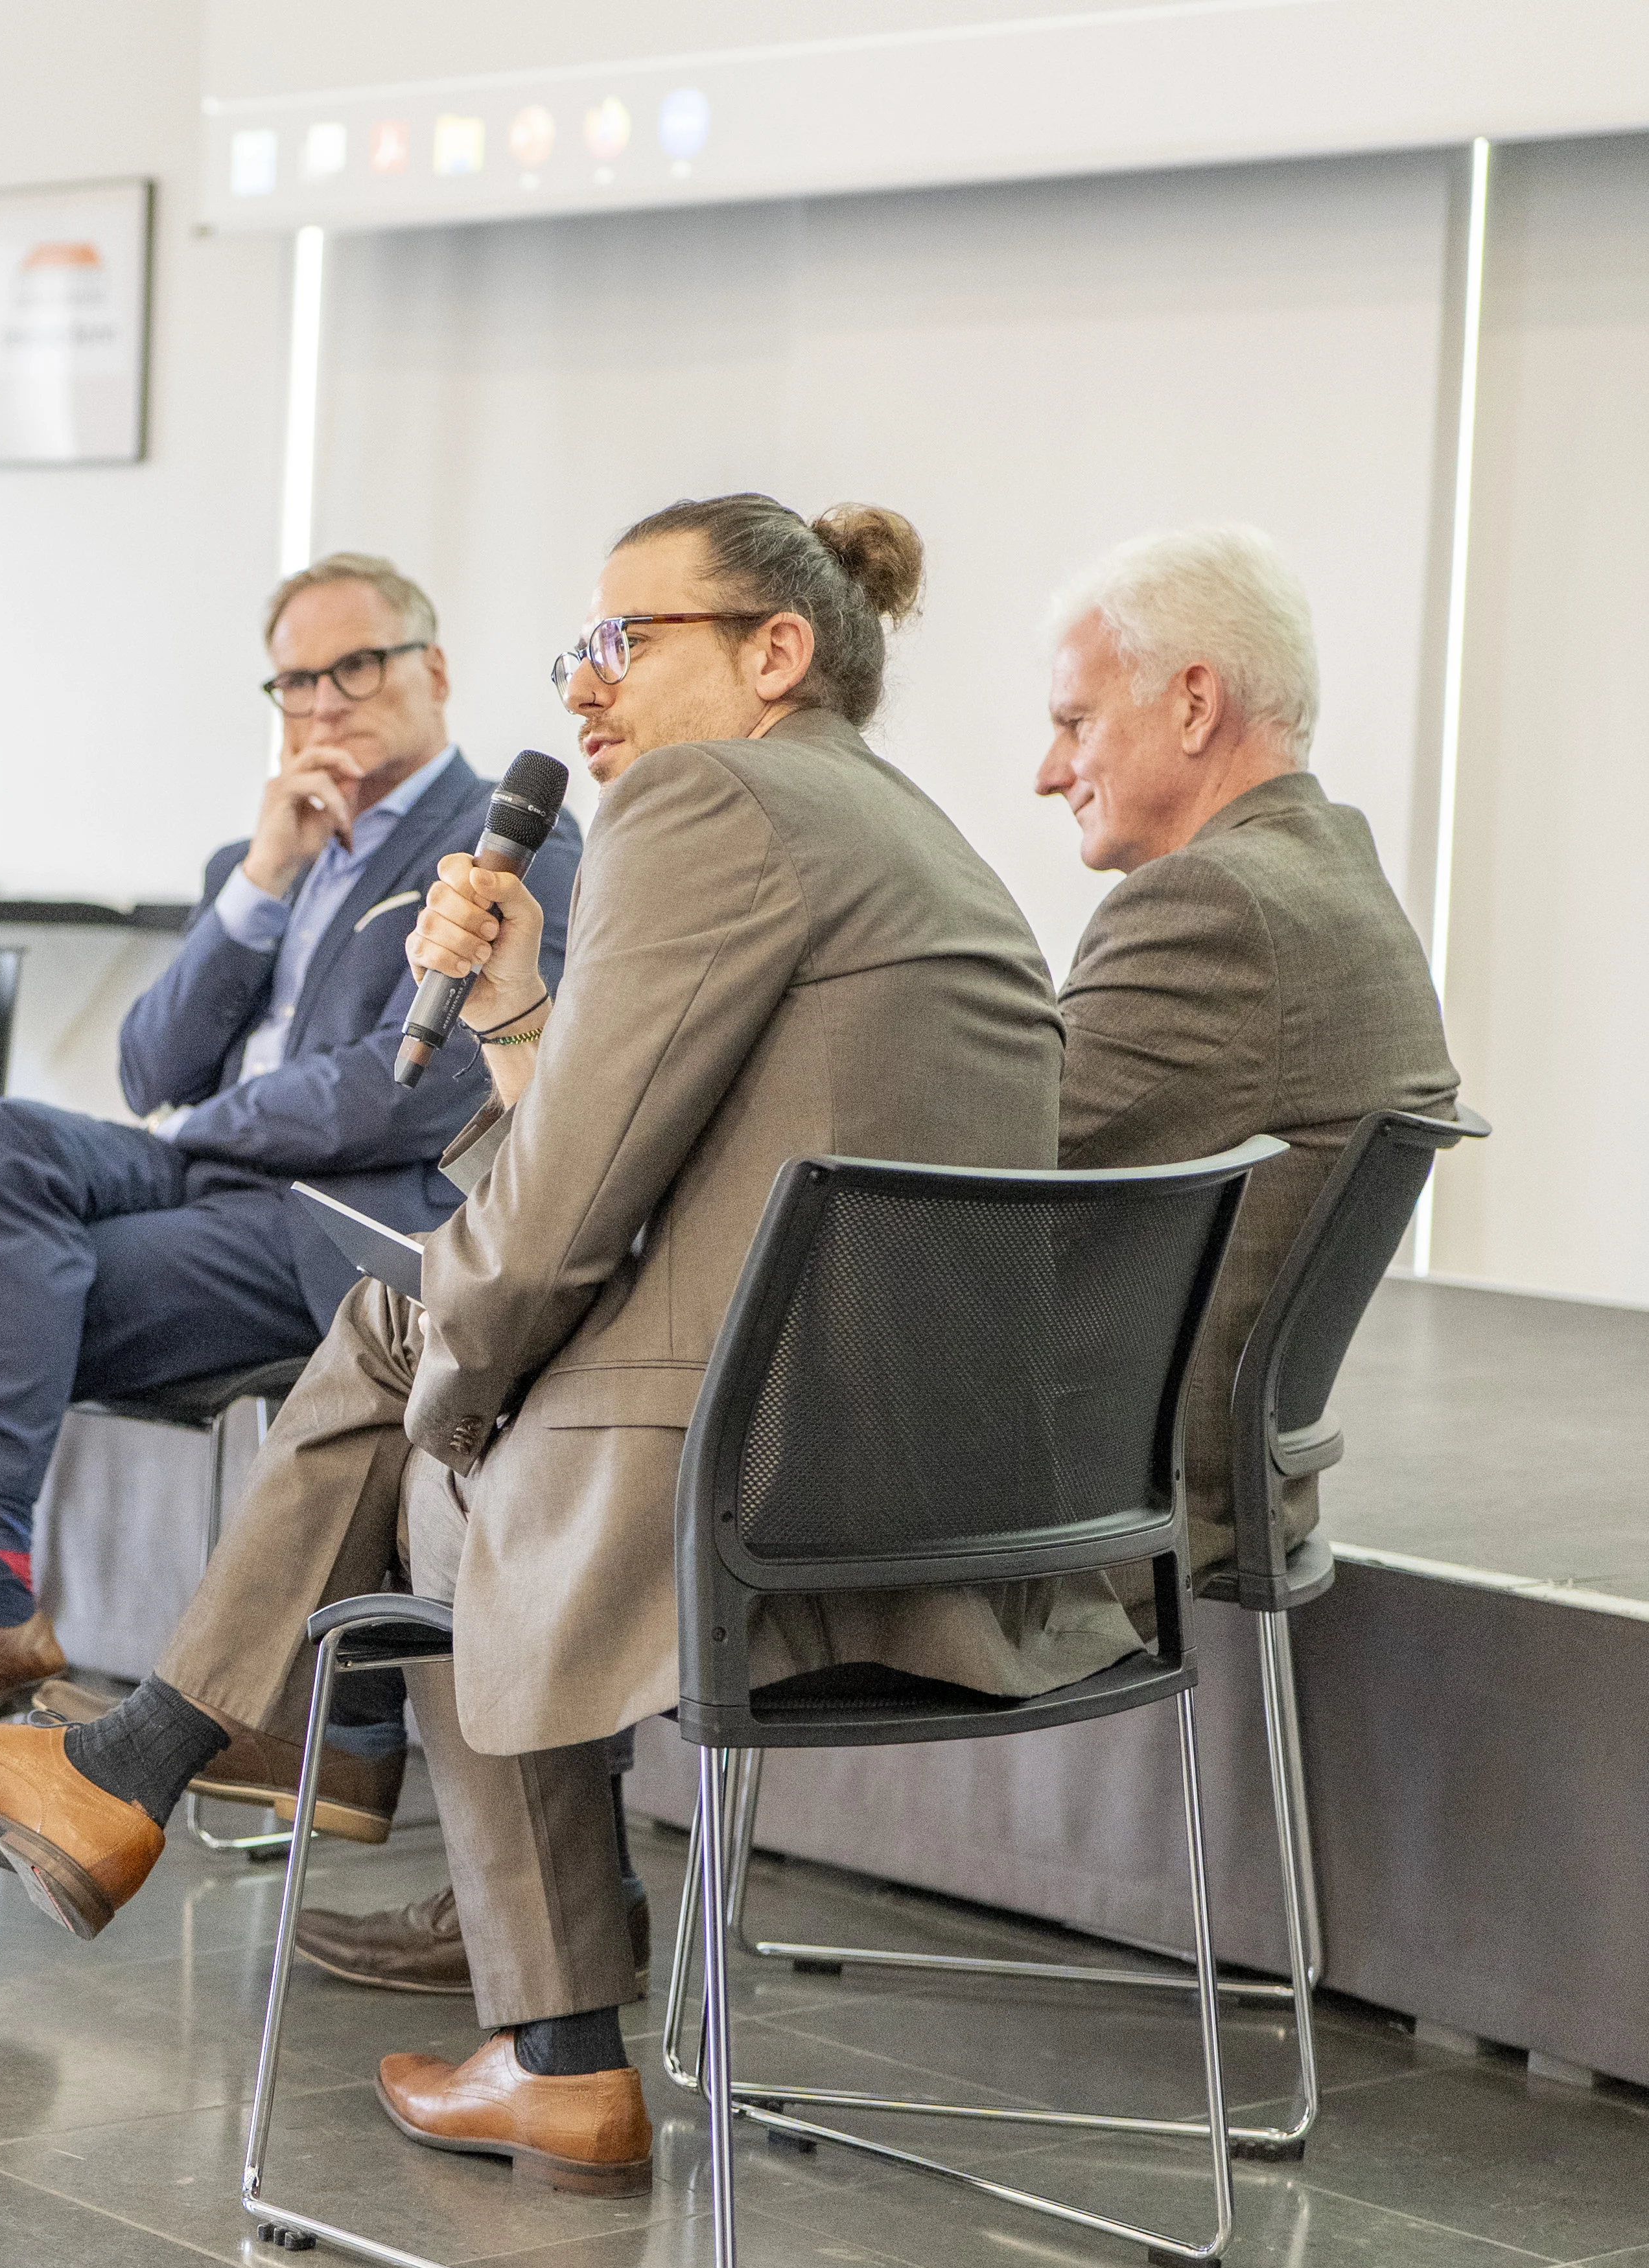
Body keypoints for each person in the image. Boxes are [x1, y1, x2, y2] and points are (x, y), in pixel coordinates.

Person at [0, 493, 1136, 2200]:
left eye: (625, 641)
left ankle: (204, 1808)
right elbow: (626, 1155)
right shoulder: (889, 822)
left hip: (765, 1486)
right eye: (575, 650)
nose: (585, 685)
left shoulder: (703, 800)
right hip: (932, 1487)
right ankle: (452, 1985)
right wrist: (522, 1009)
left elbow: (556, 1224)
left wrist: (457, 1385)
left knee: (429, 1406)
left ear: (775, 651)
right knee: (421, 1365)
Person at [290, 522, 1466, 2006]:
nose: (1045, 769)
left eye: (1072, 721)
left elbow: (962, 1187)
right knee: (514, 1377)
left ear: (1192, 702)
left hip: (1045, 1507)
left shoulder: (1207, 908)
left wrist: (596, 1093)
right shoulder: (1333, 885)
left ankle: (538, 1976)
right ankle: (447, 1909)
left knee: (485, 1439)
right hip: (1173, 1465)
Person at [0, 554, 585, 1794]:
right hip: (210, 1184)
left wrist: (206, 1134)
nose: (324, 703)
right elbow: (148, 1067)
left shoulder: (500, 847)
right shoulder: (263, 856)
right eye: (297, 682)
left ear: (434, 671)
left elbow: (416, 1086)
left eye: (356, 667)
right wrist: (264, 878)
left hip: (326, 1227)